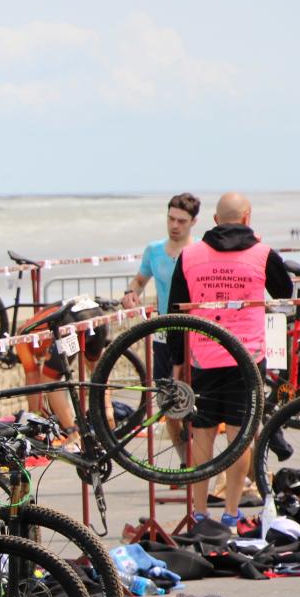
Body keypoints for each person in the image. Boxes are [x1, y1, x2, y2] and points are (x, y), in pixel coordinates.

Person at [166, 193, 293, 525]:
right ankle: (232, 513)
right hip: (248, 359)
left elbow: (175, 313)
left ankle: (200, 512)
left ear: (214, 220)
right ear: (248, 217)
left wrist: (177, 361)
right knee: (241, 438)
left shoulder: (190, 256)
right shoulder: (263, 253)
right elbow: (285, 291)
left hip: (203, 356)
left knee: (202, 436)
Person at [123, 193, 201, 463]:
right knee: (167, 402)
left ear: (194, 222)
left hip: (193, 334)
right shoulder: (154, 250)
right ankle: (185, 462)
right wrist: (130, 293)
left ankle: (201, 463)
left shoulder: (198, 251)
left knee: (195, 403)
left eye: (181, 220)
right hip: (163, 332)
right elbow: (139, 281)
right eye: (170, 219)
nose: (175, 225)